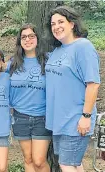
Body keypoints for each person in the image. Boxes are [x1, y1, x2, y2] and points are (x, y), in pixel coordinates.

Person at [45, 6, 100, 172]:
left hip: (75, 119)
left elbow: (93, 84)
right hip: (58, 120)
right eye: (53, 24)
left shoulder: (83, 47)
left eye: (61, 21)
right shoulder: (57, 50)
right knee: (73, 163)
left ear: (72, 24)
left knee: (66, 164)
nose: (56, 26)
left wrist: (86, 116)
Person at [7, 23, 52, 172]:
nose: (27, 40)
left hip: (42, 117)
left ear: (37, 38)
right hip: (20, 117)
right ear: (20, 41)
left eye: (31, 36)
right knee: (28, 159)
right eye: (24, 37)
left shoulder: (48, 61)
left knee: (39, 161)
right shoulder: (12, 64)